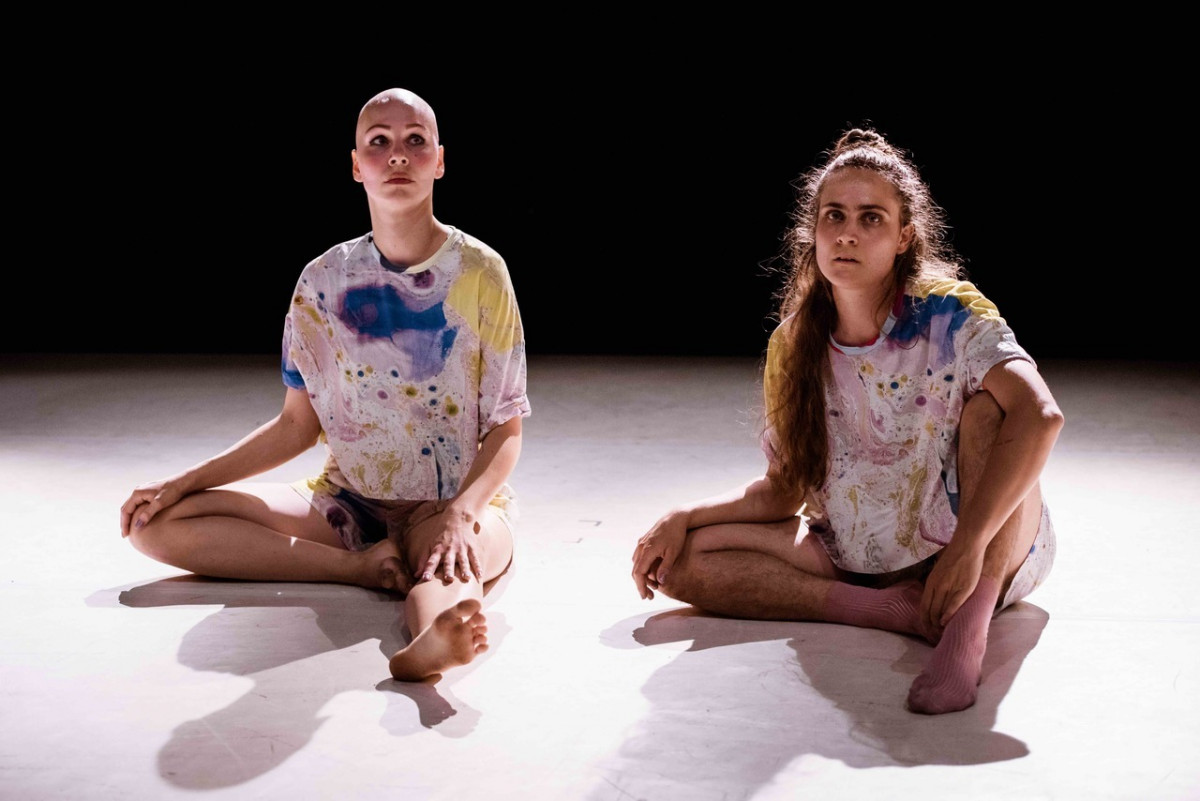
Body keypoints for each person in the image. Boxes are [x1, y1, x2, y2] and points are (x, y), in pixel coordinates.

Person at [630, 127, 1063, 715]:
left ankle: (966, 627)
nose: (848, 233)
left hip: (980, 545)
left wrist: (967, 549)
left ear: (904, 236)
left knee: (993, 409)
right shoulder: (794, 343)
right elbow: (784, 489)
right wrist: (683, 516)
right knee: (678, 563)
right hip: (860, 557)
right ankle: (891, 611)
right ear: (813, 231)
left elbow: (1041, 416)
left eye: (871, 218)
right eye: (833, 215)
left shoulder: (950, 313)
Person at [120, 87, 530, 683]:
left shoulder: (482, 273)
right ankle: (361, 568)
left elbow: (506, 428)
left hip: (453, 503)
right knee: (154, 525)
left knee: (451, 567)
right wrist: (182, 482)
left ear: (439, 161)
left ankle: (432, 638)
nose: (397, 155)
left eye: (415, 141)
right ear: (356, 165)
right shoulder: (323, 281)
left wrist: (462, 513)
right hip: (347, 504)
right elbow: (296, 425)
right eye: (379, 142)